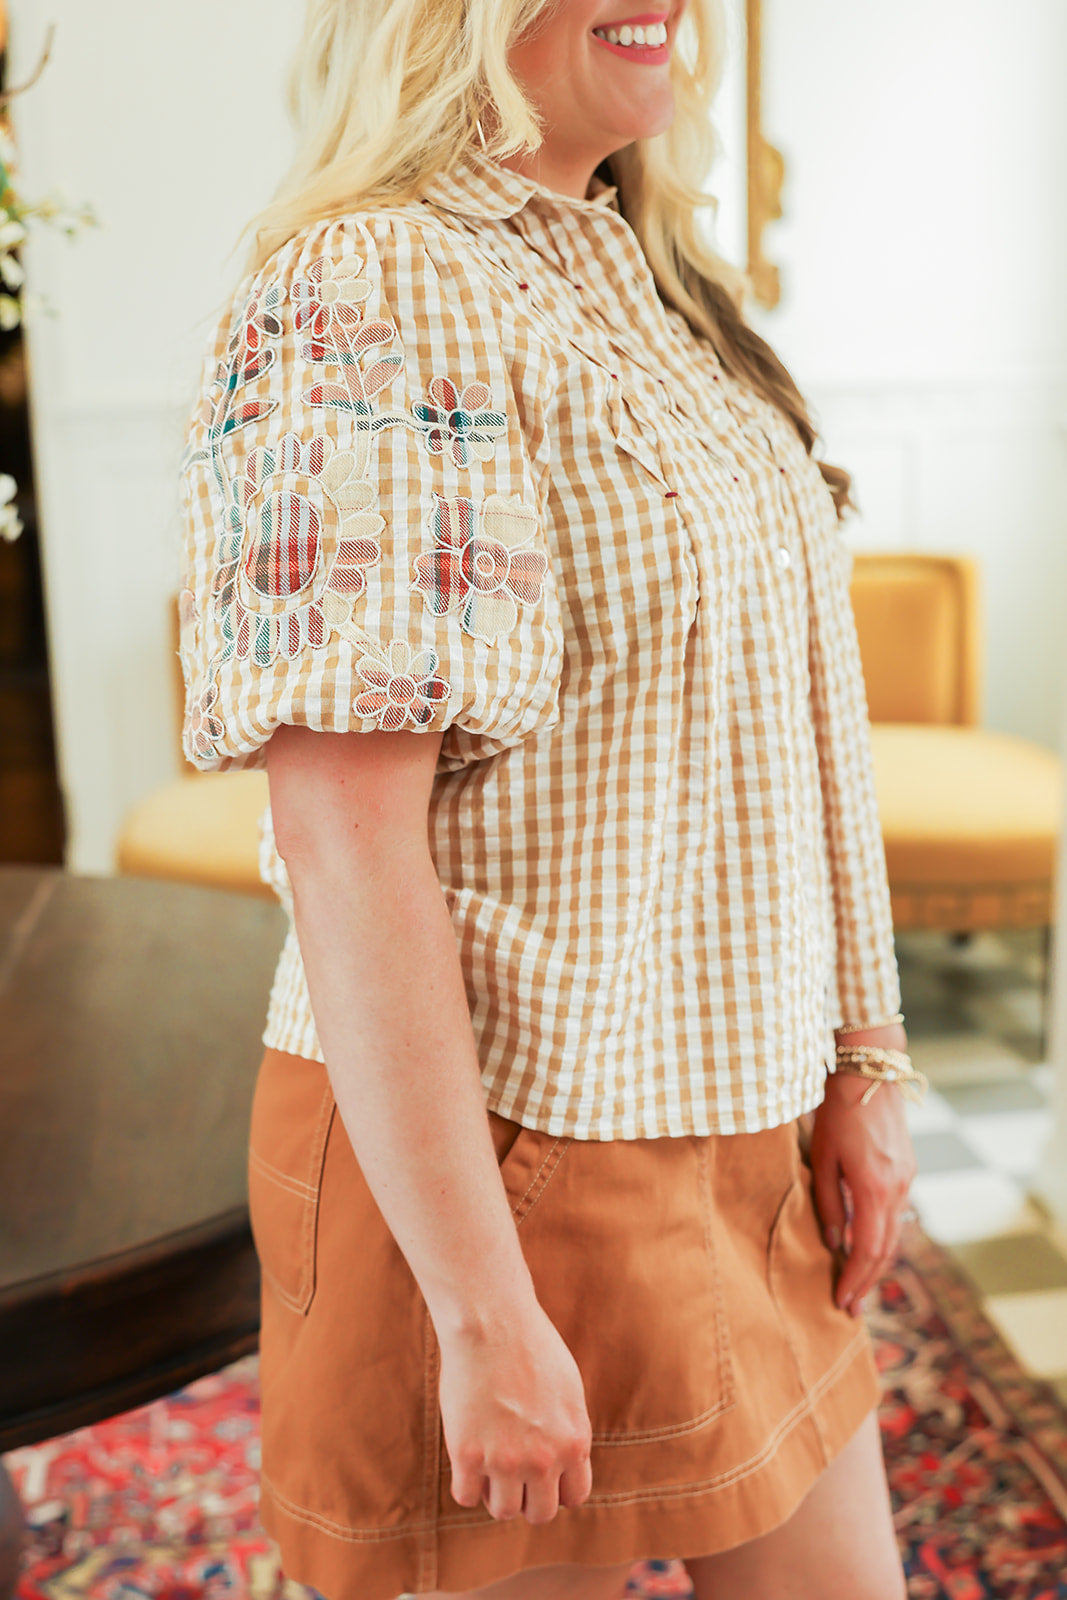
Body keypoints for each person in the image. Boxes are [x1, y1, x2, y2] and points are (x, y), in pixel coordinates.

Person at [178, 2, 922, 1597]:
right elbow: (342, 834)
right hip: (500, 1160)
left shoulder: (659, 278)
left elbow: (804, 722)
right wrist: (479, 1306)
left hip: (740, 1133)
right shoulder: (364, 284)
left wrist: (862, 1059)